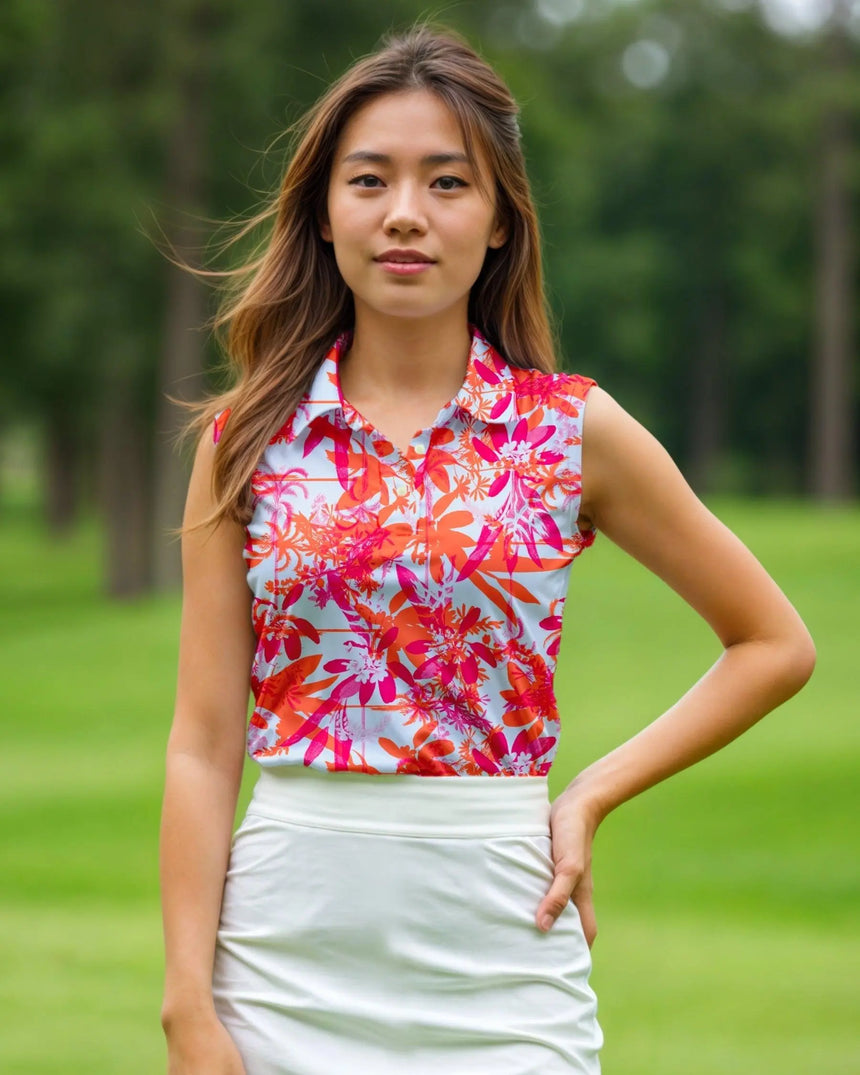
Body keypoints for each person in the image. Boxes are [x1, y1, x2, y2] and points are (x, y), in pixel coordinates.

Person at [158, 23, 816, 1075]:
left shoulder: (571, 430)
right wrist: (188, 1005)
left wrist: (590, 790)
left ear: (501, 215)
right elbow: (201, 742)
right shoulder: (244, 442)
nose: (405, 213)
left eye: (447, 182)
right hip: (281, 963)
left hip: (502, 964)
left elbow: (770, 642)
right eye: (368, 180)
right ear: (324, 214)